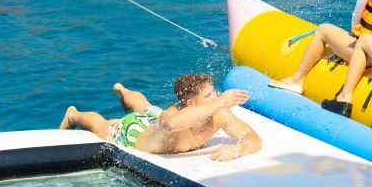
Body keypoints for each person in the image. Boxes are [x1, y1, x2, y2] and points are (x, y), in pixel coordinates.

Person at [59, 73, 262, 161]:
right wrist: (220, 101)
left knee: (145, 106)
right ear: (190, 103)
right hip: (134, 134)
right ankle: (73, 115)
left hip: (154, 123)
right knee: (100, 124)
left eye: (214, 92)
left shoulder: (219, 114)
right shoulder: (172, 115)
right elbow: (173, 125)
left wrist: (237, 149)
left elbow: (253, 139)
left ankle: (122, 90)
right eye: (209, 95)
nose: (217, 97)